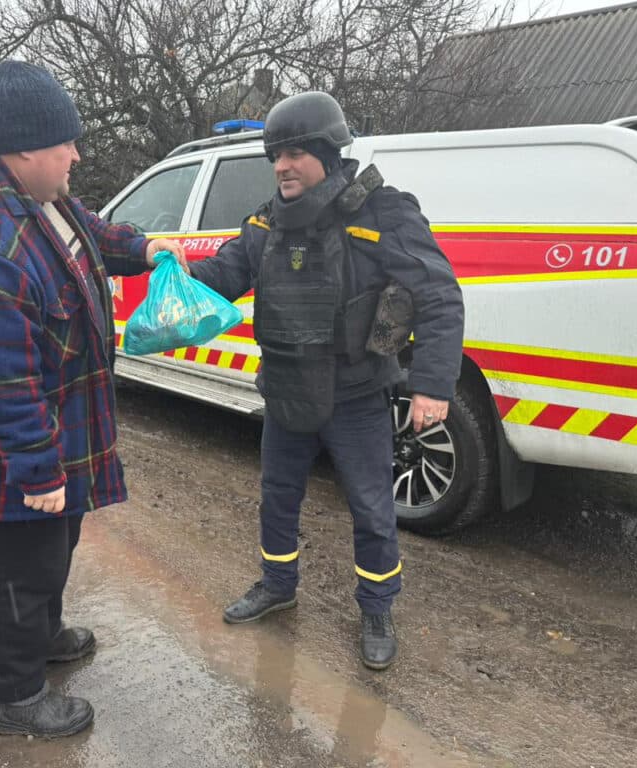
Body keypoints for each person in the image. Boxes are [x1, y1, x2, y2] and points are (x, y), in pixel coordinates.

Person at [0, 60, 186, 737]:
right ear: (27, 147)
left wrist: (145, 248)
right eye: (67, 143)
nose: (77, 155)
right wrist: (37, 468)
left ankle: (45, 629)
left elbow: (85, 231)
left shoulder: (28, 187)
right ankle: (17, 697)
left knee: (57, 540)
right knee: (24, 561)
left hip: (49, 418)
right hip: (12, 442)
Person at [190, 91, 464, 670]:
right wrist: (178, 271)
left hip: (357, 393)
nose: (282, 166)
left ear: (326, 151)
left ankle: (377, 607)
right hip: (287, 386)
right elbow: (224, 273)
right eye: (275, 156)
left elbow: (438, 295)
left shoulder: (383, 212)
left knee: (370, 506)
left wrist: (433, 387)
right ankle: (277, 584)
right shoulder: (266, 220)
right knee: (278, 496)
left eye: (293, 153)